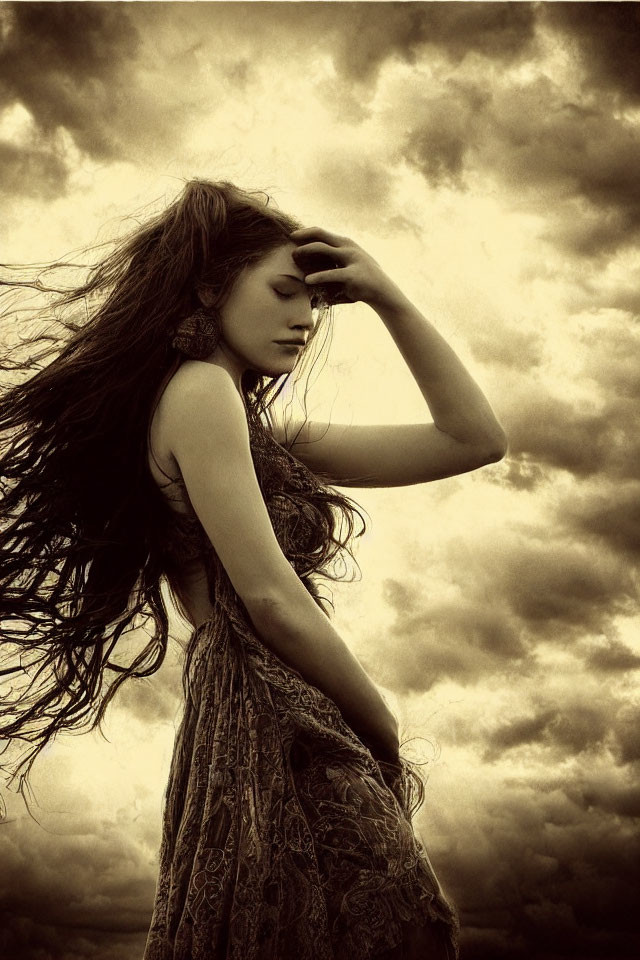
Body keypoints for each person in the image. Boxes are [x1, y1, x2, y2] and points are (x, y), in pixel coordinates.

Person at [0, 179, 506, 959]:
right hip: (267, 702)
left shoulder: (251, 427)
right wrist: (379, 719)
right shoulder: (200, 391)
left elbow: (472, 439)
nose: (305, 319)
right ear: (209, 285)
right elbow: (268, 595)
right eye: (284, 292)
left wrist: (389, 297)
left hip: (272, 701)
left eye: (317, 303)